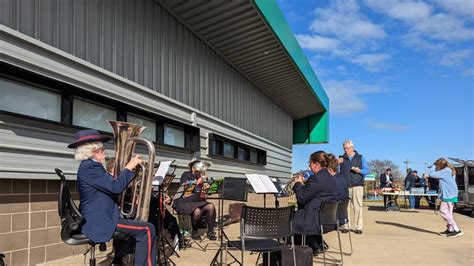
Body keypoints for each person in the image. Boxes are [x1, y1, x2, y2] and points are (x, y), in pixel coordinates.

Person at [69, 129, 157, 266]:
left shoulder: (90, 166)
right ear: (93, 150)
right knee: (147, 229)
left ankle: (120, 260)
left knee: (132, 222)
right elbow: (116, 187)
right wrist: (128, 168)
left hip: (102, 216)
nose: (105, 152)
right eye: (102, 148)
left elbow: (110, 188)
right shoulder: (90, 167)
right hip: (100, 220)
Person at [293, 151, 338, 255]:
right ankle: (316, 245)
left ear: (316, 164)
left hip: (313, 221)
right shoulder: (331, 178)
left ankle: (307, 249)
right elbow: (315, 193)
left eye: (310, 163)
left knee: (284, 220)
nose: (309, 166)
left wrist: (298, 184)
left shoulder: (316, 178)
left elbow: (301, 198)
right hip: (327, 220)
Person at [172, 160, 217, 241]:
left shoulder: (200, 176)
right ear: (193, 168)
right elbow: (184, 190)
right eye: (199, 169)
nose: (201, 171)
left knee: (211, 206)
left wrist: (207, 188)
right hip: (184, 201)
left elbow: (202, 194)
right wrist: (196, 182)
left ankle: (210, 232)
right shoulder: (186, 174)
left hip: (196, 201)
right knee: (197, 211)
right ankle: (194, 231)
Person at [338, 140, 369, 234]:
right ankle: (345, 226)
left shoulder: (360, 157)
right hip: (345, 186)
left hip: (357, 185)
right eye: (344, 148)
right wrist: (336, 163)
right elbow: (337, 172)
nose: (346, 150)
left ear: (352, 148)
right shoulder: (341, 158)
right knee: (344, 207)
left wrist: (359, 171)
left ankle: (358, 227)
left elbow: (367, 170)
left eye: (347, 148)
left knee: (358, 207)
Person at [429, 158, 463, 238]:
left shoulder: (446, 171)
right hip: (451, 194)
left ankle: (456, 230)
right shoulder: (450, 170)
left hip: (449, 195)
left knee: (443, 211)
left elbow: (432, 174)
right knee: (449, 213)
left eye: (437, 165)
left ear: (440, 165)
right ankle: (450, 229)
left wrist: (433, 166)